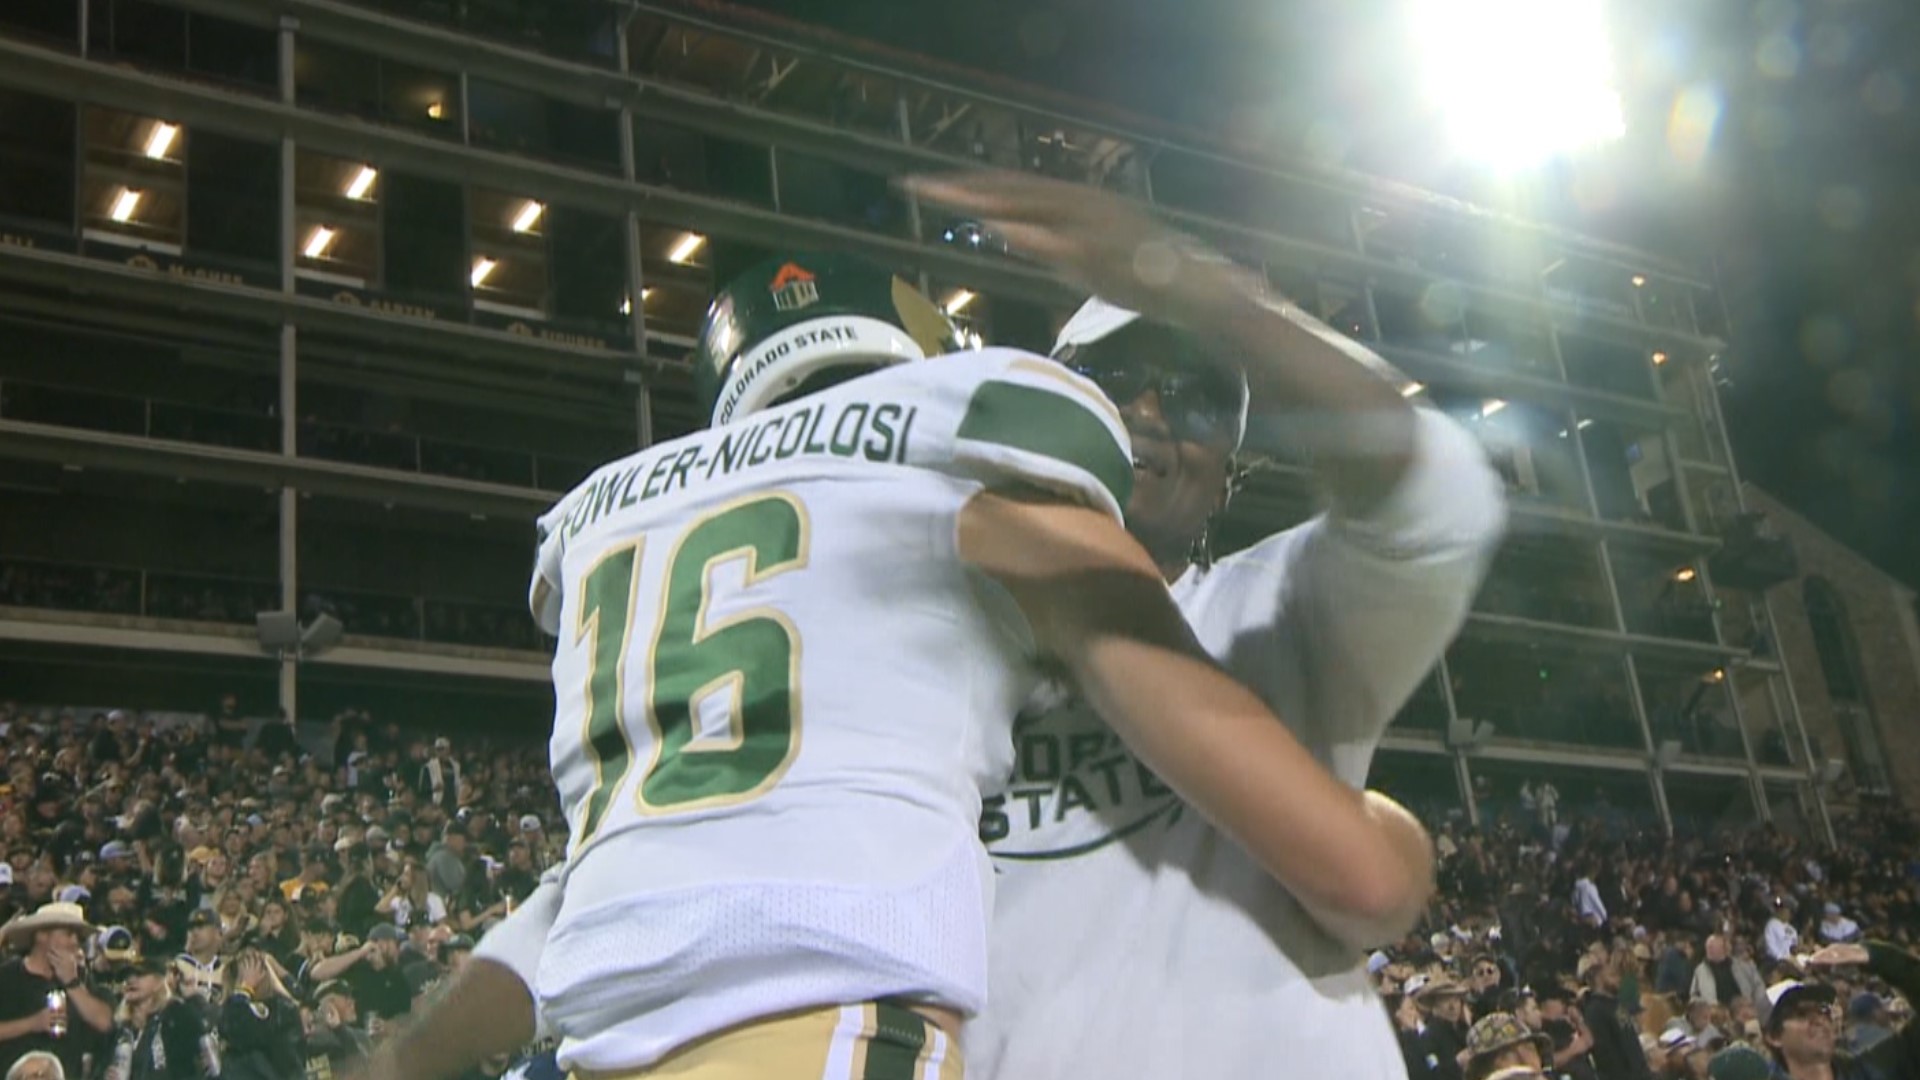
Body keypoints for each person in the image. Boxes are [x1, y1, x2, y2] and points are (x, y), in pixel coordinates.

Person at [365, 235, 1446, 1079]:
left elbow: (562, 911)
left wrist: (390, 1064)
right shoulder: (988, 508)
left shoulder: (617, 525)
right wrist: (1375, 840)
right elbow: (1362, 871)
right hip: (831, 1028)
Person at [914, 170, 1503, 1077]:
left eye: (1193, 398)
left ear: (1230, 468)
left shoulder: (1282, 607)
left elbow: (1438, 497)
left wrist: (1198, 289)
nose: (1151, 415)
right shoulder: (940, 647)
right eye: (1114, 380)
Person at [1759, 942, 1920, 1080]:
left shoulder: (1872, 1071)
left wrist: (1872, 956)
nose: (1819, 1019)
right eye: (1802, 1014)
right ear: (1774, 1036)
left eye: (1823, 1010)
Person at [0, 902, 114, 1080]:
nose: (75, 942)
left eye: (78, 937)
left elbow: (104, 1022)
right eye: (69, 934)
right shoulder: (7, 977)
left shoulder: (80, 978)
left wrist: (72, 982)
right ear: (41, 935)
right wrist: (33, 1023)